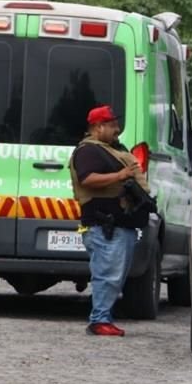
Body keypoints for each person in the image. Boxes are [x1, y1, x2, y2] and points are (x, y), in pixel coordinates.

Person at [68, 105, 151, 337]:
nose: (117, 129)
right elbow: (87, 179)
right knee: (107, 274)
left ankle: (104, 317)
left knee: (114, 274)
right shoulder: (88, 151)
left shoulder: (110, 149)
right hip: (104, 226)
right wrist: (120, 175)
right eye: (112, 125)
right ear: (97, 127)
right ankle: (99, 320)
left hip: (118, 225)